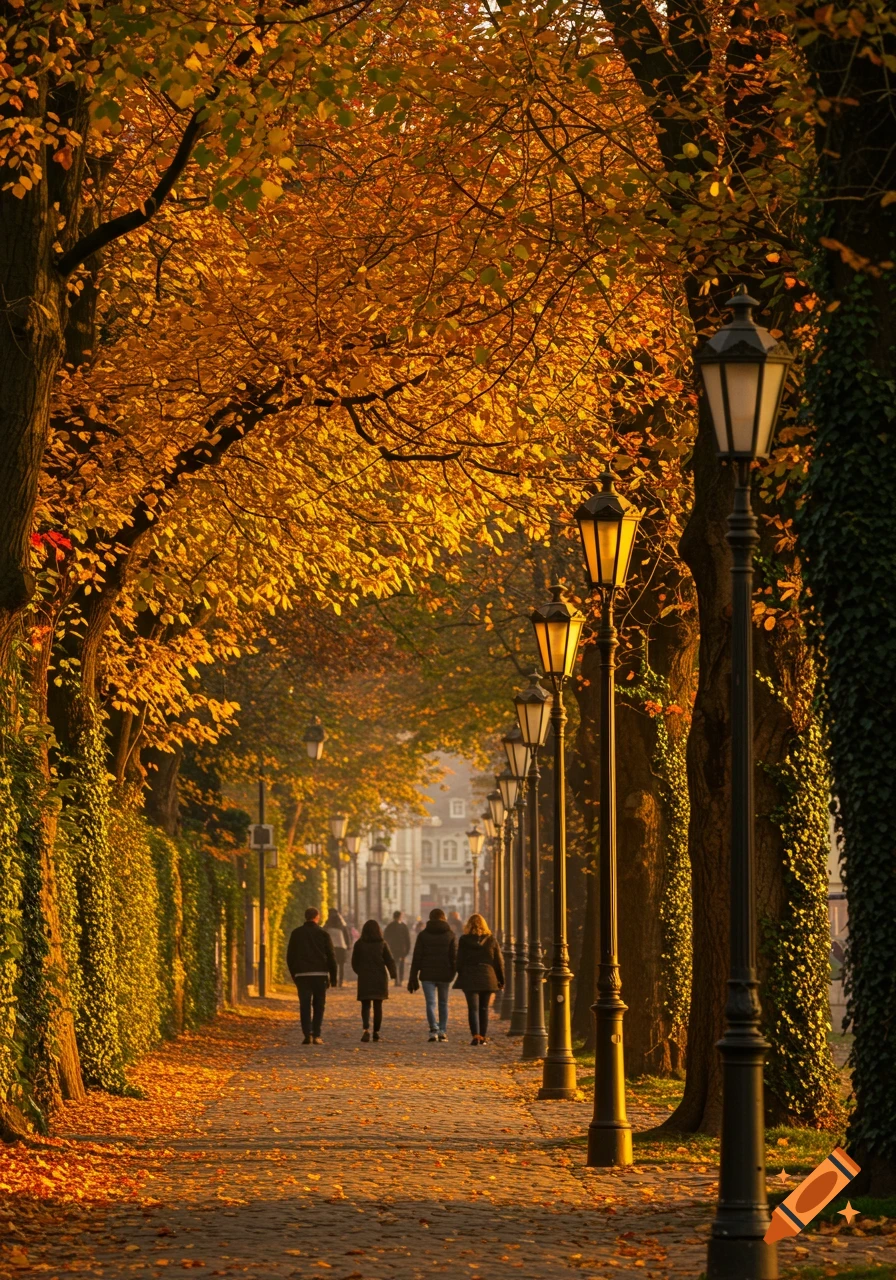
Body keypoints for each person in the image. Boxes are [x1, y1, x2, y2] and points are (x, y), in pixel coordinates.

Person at [286, 907, 338, 1045]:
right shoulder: (323, 934)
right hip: (320, 974)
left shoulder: (296, 933)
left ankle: (307, 1034)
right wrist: (333, 977)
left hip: (302, 975)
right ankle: (316, 1035)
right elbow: (331, 956)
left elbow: (290, 956)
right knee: (319, 1005)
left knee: (304, 1004)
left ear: (305, 917)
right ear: (317, 917)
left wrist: (294, 974)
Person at [454, 913, 504, 1045]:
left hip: (470, 975)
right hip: (487, 976)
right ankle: (483, 1036)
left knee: (473, 1008)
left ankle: (475, 1035)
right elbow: (498, 962)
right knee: (484, 1008)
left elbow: (459, 961)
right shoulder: (491, 940)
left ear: (469, 925)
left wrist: (462, 973)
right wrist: (501, 980)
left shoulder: (464, 940)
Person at [408, 907, 457, 1042]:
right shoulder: (450, 935)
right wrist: (453, 973)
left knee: (430, 1003)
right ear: (444, 918)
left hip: (427, 974)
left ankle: (433, 1029)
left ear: (430, 918)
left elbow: (417, 957)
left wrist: (413, 976)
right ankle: (442, 1030)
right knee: (443, 1003)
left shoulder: (423, 935)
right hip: (445, 973)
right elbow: (454, 957)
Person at [351, 920, 397, 1041]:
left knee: (365, 1005)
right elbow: (389, 960)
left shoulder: (359, 944)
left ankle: (366, 1029)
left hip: (365, 977)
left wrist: (360, 972)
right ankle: (376, 1032)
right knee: (378, 1006)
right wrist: (393, 974)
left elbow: (354, 962)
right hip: (379, 977)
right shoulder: (382, 943)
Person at [324, 908, 352, 987]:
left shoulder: (327, 924)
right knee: (341, 965)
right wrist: (348, 945)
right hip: (341, 946)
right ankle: (340, 981)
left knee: (330, 964)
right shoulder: (342, 925)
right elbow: (346, 936)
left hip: (330, 947)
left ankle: (331, 980)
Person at [383, 911, 412, 986]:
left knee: (397, 964)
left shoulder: (390, 926)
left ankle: (397, 979)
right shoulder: (402, 926)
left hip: (395, 949)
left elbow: (385, 937)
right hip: (399, 949)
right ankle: (399, 980)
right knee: (399, 964)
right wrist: (407, 949)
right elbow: (407, 939)